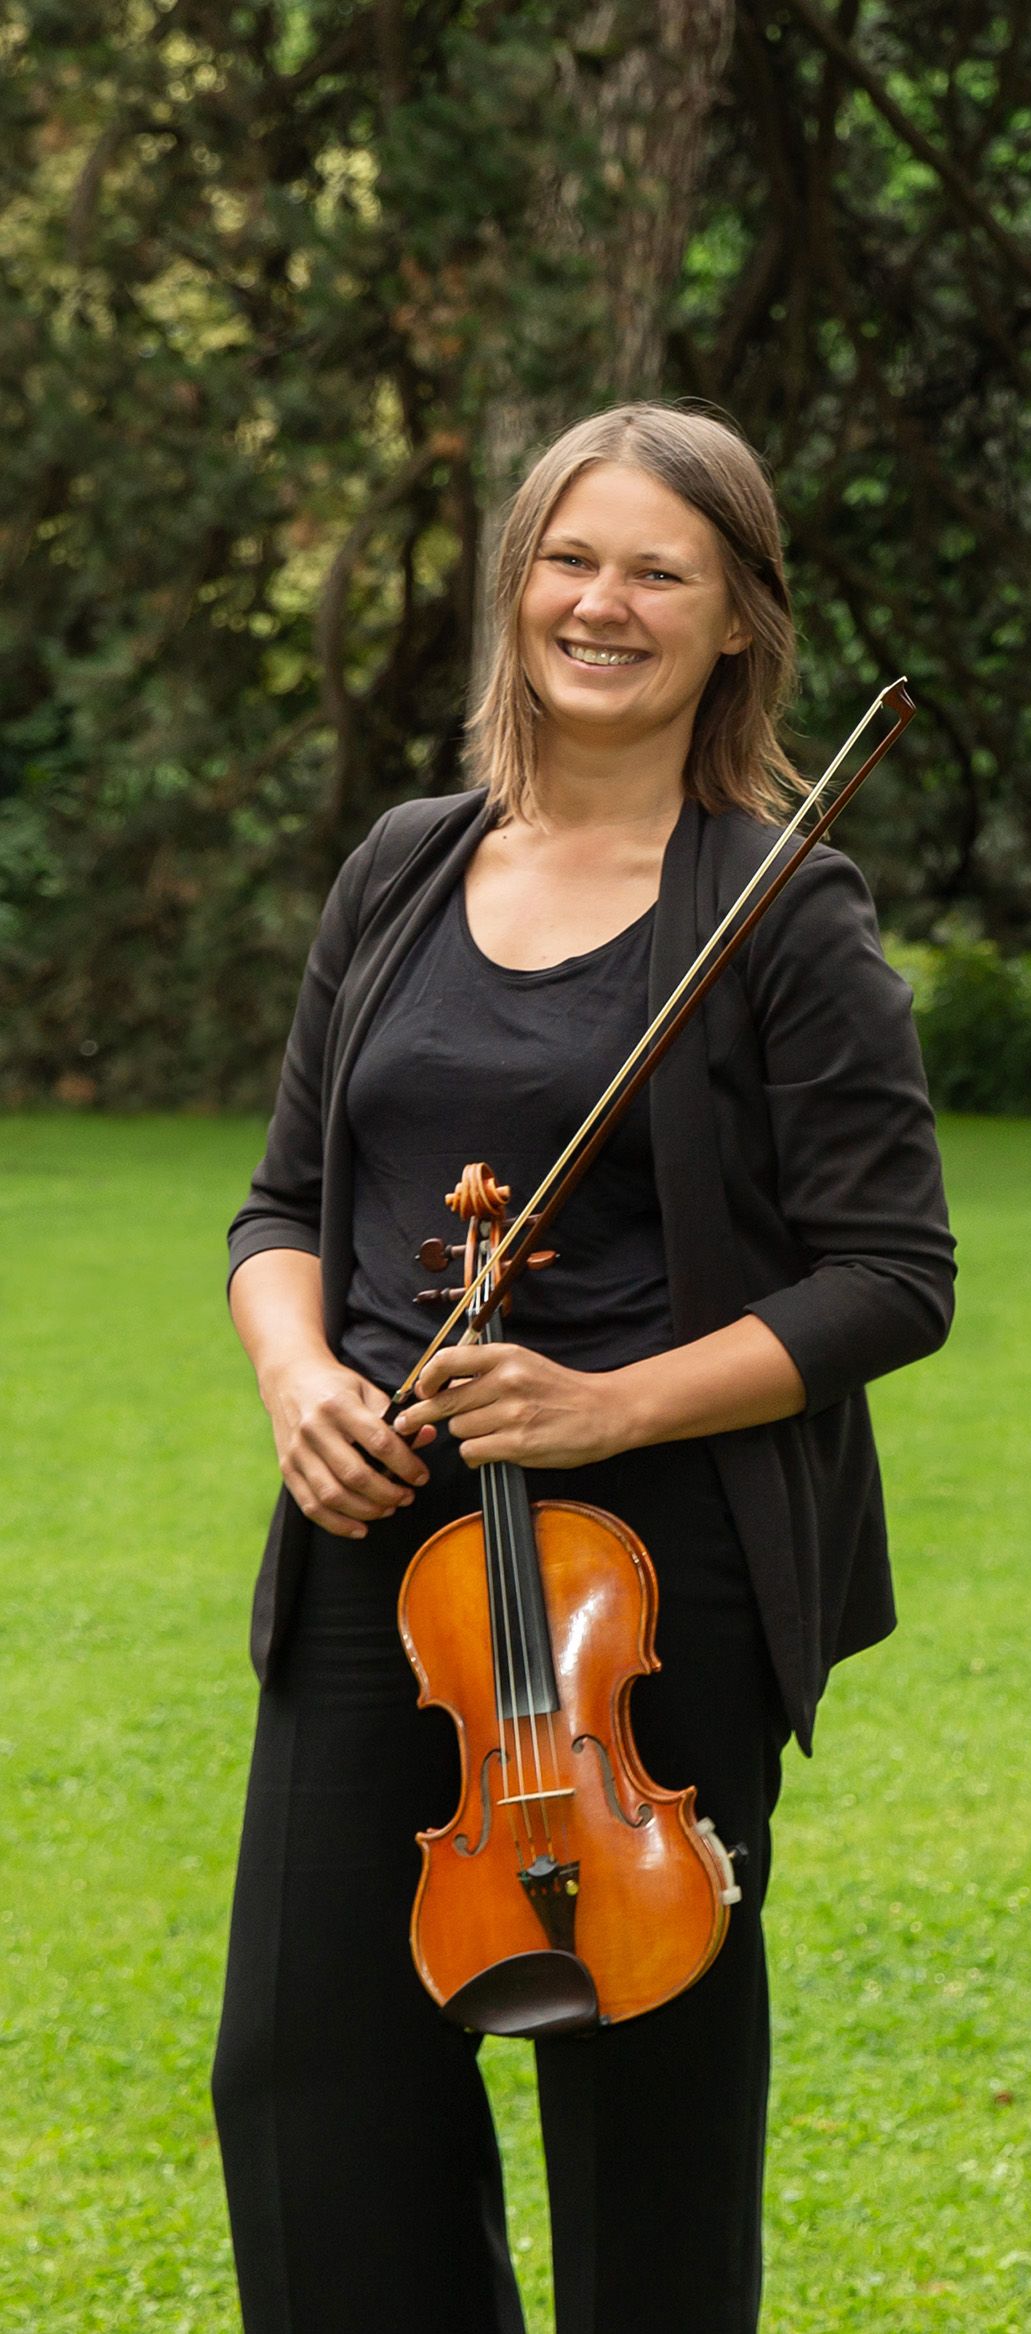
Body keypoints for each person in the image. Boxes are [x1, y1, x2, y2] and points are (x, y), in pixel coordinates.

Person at [214, 403, 953, 2332]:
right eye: (569, 557)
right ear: (513, 584)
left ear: (735, 627)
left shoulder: (783, 913)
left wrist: (608, 1403)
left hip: (648, 1594)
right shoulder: (399, 867)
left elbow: (892, 1277)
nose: (600, 603)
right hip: (383, 1566)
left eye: (657, 571)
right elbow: (283, 1205)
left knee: (646, 2134)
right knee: (310, 2091)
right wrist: (299, 1375)